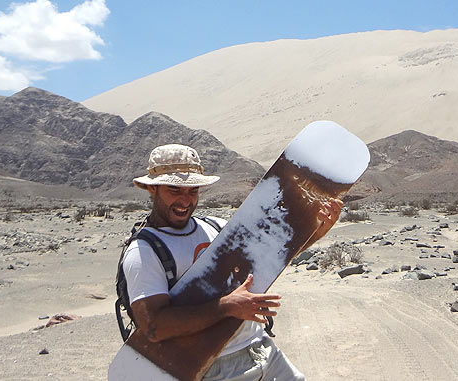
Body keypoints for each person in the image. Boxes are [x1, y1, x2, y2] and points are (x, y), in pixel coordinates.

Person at [123, 144, 341, 381]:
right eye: (175, 190)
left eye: (192, 191)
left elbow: (267, 259)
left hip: (262, 348)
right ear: (151, 189)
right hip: (214, 367)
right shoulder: (144, 251)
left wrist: (316, 233)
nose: (185, 200)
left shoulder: (216, 227)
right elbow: (154, 327)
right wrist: (227, 306)